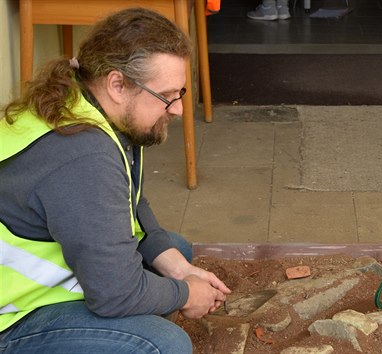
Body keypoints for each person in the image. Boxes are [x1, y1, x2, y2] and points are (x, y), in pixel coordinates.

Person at [0, 8, 231, 353]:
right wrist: (186, 293)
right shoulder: (83, 156)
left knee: (172, 250)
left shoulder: (83, 104)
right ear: (117, 84)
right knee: (162, 344)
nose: (178, 109)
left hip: (41, 278)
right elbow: (115, 294)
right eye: (166, 95)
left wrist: (177, 267)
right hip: (11, 317)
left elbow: (128, 199)